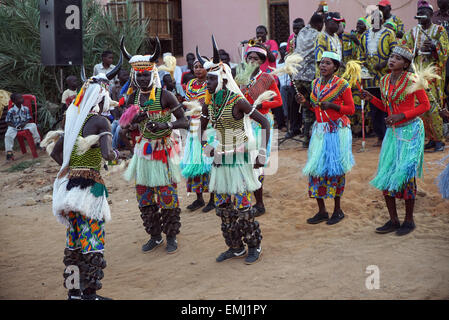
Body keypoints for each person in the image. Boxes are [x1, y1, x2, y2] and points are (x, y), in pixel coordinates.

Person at [50, 59, 125, 300]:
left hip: (71, 188)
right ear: (100, 96)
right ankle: (90, 294)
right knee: (92, 240)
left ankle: (73, 292)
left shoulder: (73, 119)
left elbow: (55, 152)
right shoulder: (100, 121)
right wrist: (118, 154)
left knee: (74, 242)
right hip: (91, 189)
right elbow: (106, 154)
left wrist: (71, 168)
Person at [199, 36, 270, 264]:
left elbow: (265, 123)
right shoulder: (209, 103)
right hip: (220, 159)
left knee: (242, 207)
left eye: (210, 79)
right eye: (206, 79)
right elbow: (201, 131)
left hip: (238, 158)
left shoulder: (238, 102)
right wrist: (206, 146)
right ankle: (235, 246)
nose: (206, 83)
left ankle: (254, 246)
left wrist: (261, 153)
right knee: (223, 207)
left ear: (221, 79)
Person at [121, 37, 189, 254]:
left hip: (163, 151)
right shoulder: (133, 100)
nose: (142, 78)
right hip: (142, 152)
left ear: (153, 74)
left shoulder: (165, 96)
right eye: (138, 75)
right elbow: (125, 126)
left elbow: (184, 121)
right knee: (144, 196)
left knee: (167, 195)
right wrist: (129, 126)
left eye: (145, 74)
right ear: (134, 76)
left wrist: (164, 123)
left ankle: (171, 237)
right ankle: (154, 236)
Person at [360, 46, 431, 236]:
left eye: (398, 58)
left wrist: (402, 115)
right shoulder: (383, 80)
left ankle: (409, 220)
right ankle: (393, 220)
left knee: (406, 174)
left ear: (406, 64)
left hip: (410, 132)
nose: (392, 60)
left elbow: (425, 105)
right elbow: (387, 106)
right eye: (391, 56)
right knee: (387, 173)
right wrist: (371, 99)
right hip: (393, 133)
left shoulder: (413, 80)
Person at [296, 51, 355, 225]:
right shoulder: (315, 83)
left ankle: (338, 210)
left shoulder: (342, 84)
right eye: (321, 63)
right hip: (320, 131)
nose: (323, 66)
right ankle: (321, 210)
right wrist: (304, 102)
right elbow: (315, 108)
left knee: (335, 170)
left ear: (335, 67)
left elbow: (351, 109)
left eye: (328, 63)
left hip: (337, 131)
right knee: (316, 170)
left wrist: (333, 106)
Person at [242, 43, 283, 216]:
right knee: (243, 161)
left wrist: (261, 104)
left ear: (262, 61)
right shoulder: (240, 78)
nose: (252, 61)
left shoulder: (267, 78)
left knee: (257, 163)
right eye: (249, 58)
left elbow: (278, 101)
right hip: (243, 124)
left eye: (256, 58)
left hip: (261, 124)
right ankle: (245, 200)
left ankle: (259, 203)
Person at [402, 0, 449, 152]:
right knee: (420, 106)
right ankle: (429, 138)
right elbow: (405, 48)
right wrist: (414, 51)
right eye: (419, 14)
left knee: (434, 107)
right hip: (417, 74)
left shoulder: (439, 29)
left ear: (430, 15)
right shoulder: (413, 32)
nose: (421, 17)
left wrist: (434, 46)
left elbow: (445, 51)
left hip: (433, 75)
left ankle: (439, 140)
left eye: (423, 14)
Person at [181, 54, 215, 213]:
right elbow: (187, 105)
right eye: (195, 66)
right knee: (194, 163)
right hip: (193, 126)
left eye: (201, 66)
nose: (198, 69)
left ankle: (213, 199)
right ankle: (199, 198)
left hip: (208, 127)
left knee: (209, 163)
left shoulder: (213, 83)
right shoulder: (190, 84)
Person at [359, 9, 397, 146]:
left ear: (382, 20)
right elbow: (361, 54)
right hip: (370, 79)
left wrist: (385, 63)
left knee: (387, 105)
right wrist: (362, 67)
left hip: (385, 77)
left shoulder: (389, 34)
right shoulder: (364, 36)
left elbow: (394, 53)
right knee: (374, 108)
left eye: (378, 19)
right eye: (372, 19)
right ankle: (380, 136)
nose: (375, 21)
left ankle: (390, 135)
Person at [289, 13, 324, 145]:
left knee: (304, 107)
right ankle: (315, 136)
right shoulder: (318, 35)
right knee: (314, 106)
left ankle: (306, 139)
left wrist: (320, 10)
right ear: (320, 25)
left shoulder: (302, 32)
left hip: (297, 76)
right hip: (310, 77)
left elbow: (311, 21)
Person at [4, 93, 41, 161]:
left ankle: (37, 143)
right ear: (14, 101)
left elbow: (28, 118)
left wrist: (24, 124)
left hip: (24, 125)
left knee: (33, 125)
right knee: (8, 135)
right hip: (14, 126)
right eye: (19, 98)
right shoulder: (11, 111)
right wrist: (15, 126)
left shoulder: (25, 109)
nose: (22, 99)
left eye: (22, 98)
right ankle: (9, 152)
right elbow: (8, 121)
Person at [276, 42, 290, 132]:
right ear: (279, 50)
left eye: (286, 49)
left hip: (290, 86)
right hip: (280, 86)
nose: (284, 51)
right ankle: (283, 119)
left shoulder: (290, 62)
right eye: (282, 49)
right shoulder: (277, 63)